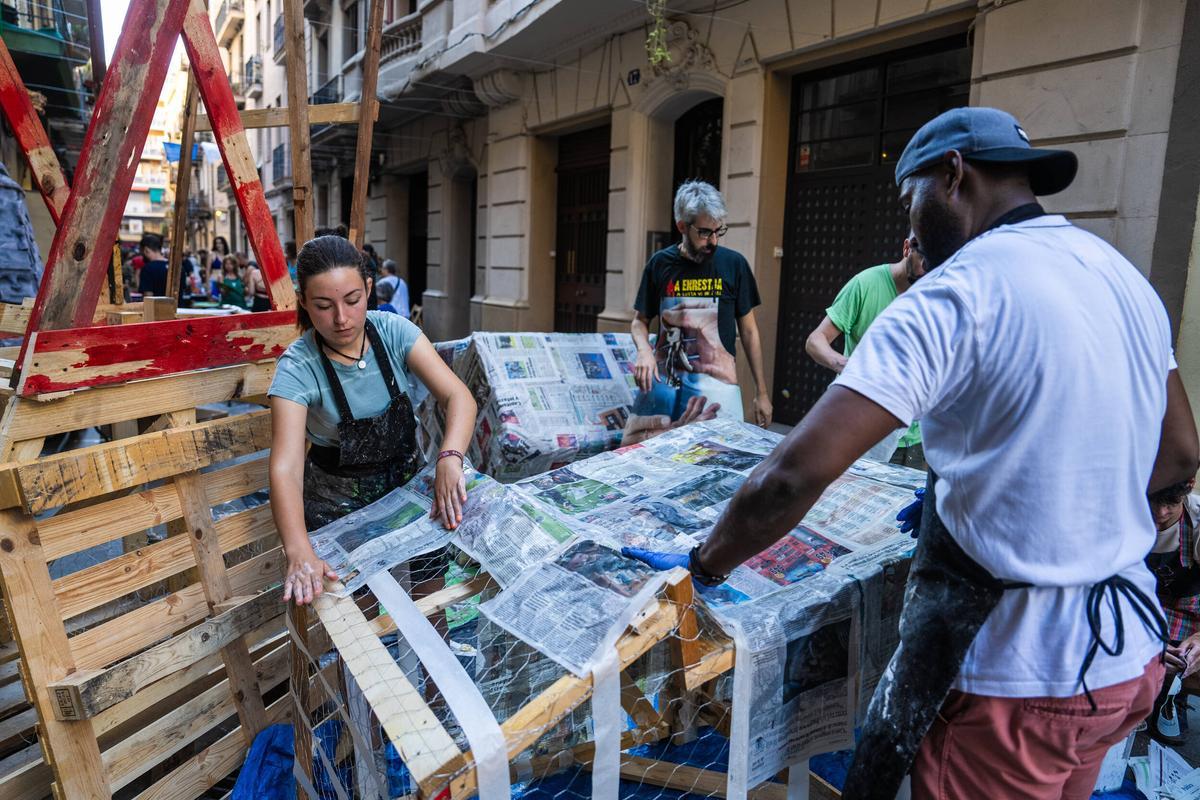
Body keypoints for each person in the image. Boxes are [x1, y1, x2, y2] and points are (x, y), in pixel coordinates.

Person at [624, 107, 1199, 799]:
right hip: (1125, 659)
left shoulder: (957, 291)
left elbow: (791, 475)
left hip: (1022, 677)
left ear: (951, 177)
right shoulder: (1119, 275)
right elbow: (1177, 455)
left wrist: (704, 563)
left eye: (910, 200)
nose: (912, 223)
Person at [268, 235, 477, 605]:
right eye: (323, 306)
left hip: (408, 486)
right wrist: (298, 551)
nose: (342, 319)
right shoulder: (297, 368)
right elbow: (286, 467)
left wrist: (450, 456)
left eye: (352, 301)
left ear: (367, 288)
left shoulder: (394, 331)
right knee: (364, 612)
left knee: (432, 599)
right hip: (339, 503)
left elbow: (458, 396)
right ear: (303, 302)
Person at [631, 180, 772, 428]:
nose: (714, 241)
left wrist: (761, 393)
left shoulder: (734, 264)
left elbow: (749, 331)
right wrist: (644, 351)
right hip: (667, 387)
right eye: (705, 232)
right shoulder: (660, 264)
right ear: (682, 226)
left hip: (720, 390)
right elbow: (639, 322)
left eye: (719, 231)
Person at [806, 234, 927, 467]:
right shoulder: (866, 284)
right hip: (862, 431)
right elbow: (816, 340)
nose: (929, 273)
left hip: (916, 438)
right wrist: (845, 365)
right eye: (924, 261)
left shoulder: (936, 293)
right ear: (906, 248)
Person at [1146, 477, 1200, 743]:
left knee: (1182, 657)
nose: (1160, 513)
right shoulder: (1121, 518)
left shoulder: (1197, 521)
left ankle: (1171, 694)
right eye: (1153, 500)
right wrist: (1144, 643)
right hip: (1143, 605)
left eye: (1171, 503)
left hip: (1189, 610)